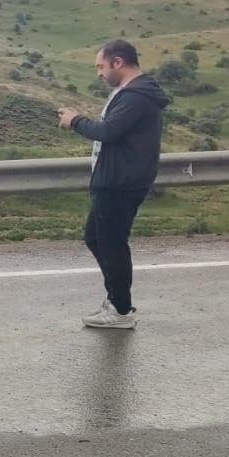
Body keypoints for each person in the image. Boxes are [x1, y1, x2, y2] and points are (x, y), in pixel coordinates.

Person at [56, 39, 170, 329]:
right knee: (96, 239)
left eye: (101, 66)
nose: (99, 73)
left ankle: (120, 310)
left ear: (118, 62)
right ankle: (116, 300)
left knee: (112, 244)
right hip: (116, 179)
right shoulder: (132, 93)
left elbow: (108, 131)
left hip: (120, 182)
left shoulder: (136, 96)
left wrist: (75, 120)